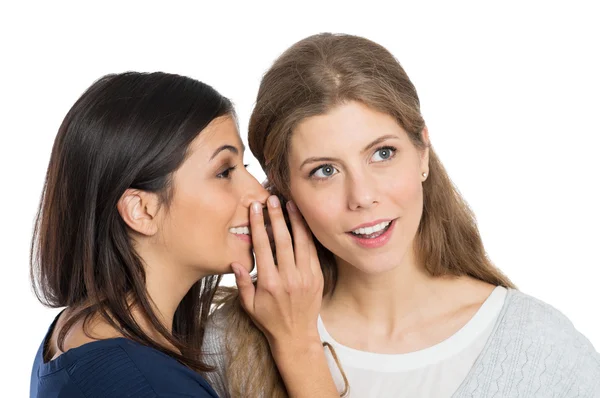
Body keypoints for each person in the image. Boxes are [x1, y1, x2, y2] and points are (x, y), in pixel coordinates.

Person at [203, 33, 600, 397]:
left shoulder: (542, 349)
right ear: (282, 186)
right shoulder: (226, 347)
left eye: (383, 153)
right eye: (324, 170)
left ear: (422, 151)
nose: (362, 196)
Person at [30, 71, 337, 397]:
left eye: (244, 167)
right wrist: (299, 342)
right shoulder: (146, 385)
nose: (260, 196)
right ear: (142, 211)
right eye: (224, 172)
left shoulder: (74, 334)